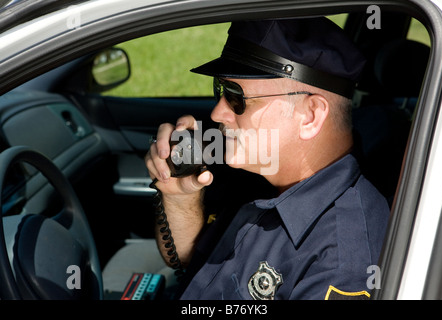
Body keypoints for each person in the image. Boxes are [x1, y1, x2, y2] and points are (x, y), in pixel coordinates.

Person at [145, 17, 390, 300]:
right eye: (221, 90)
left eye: (237, 98)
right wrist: (180, 198)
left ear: (310, 116)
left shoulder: (343, 258)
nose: (217, 113)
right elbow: (189, 259)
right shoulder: (257, 166)